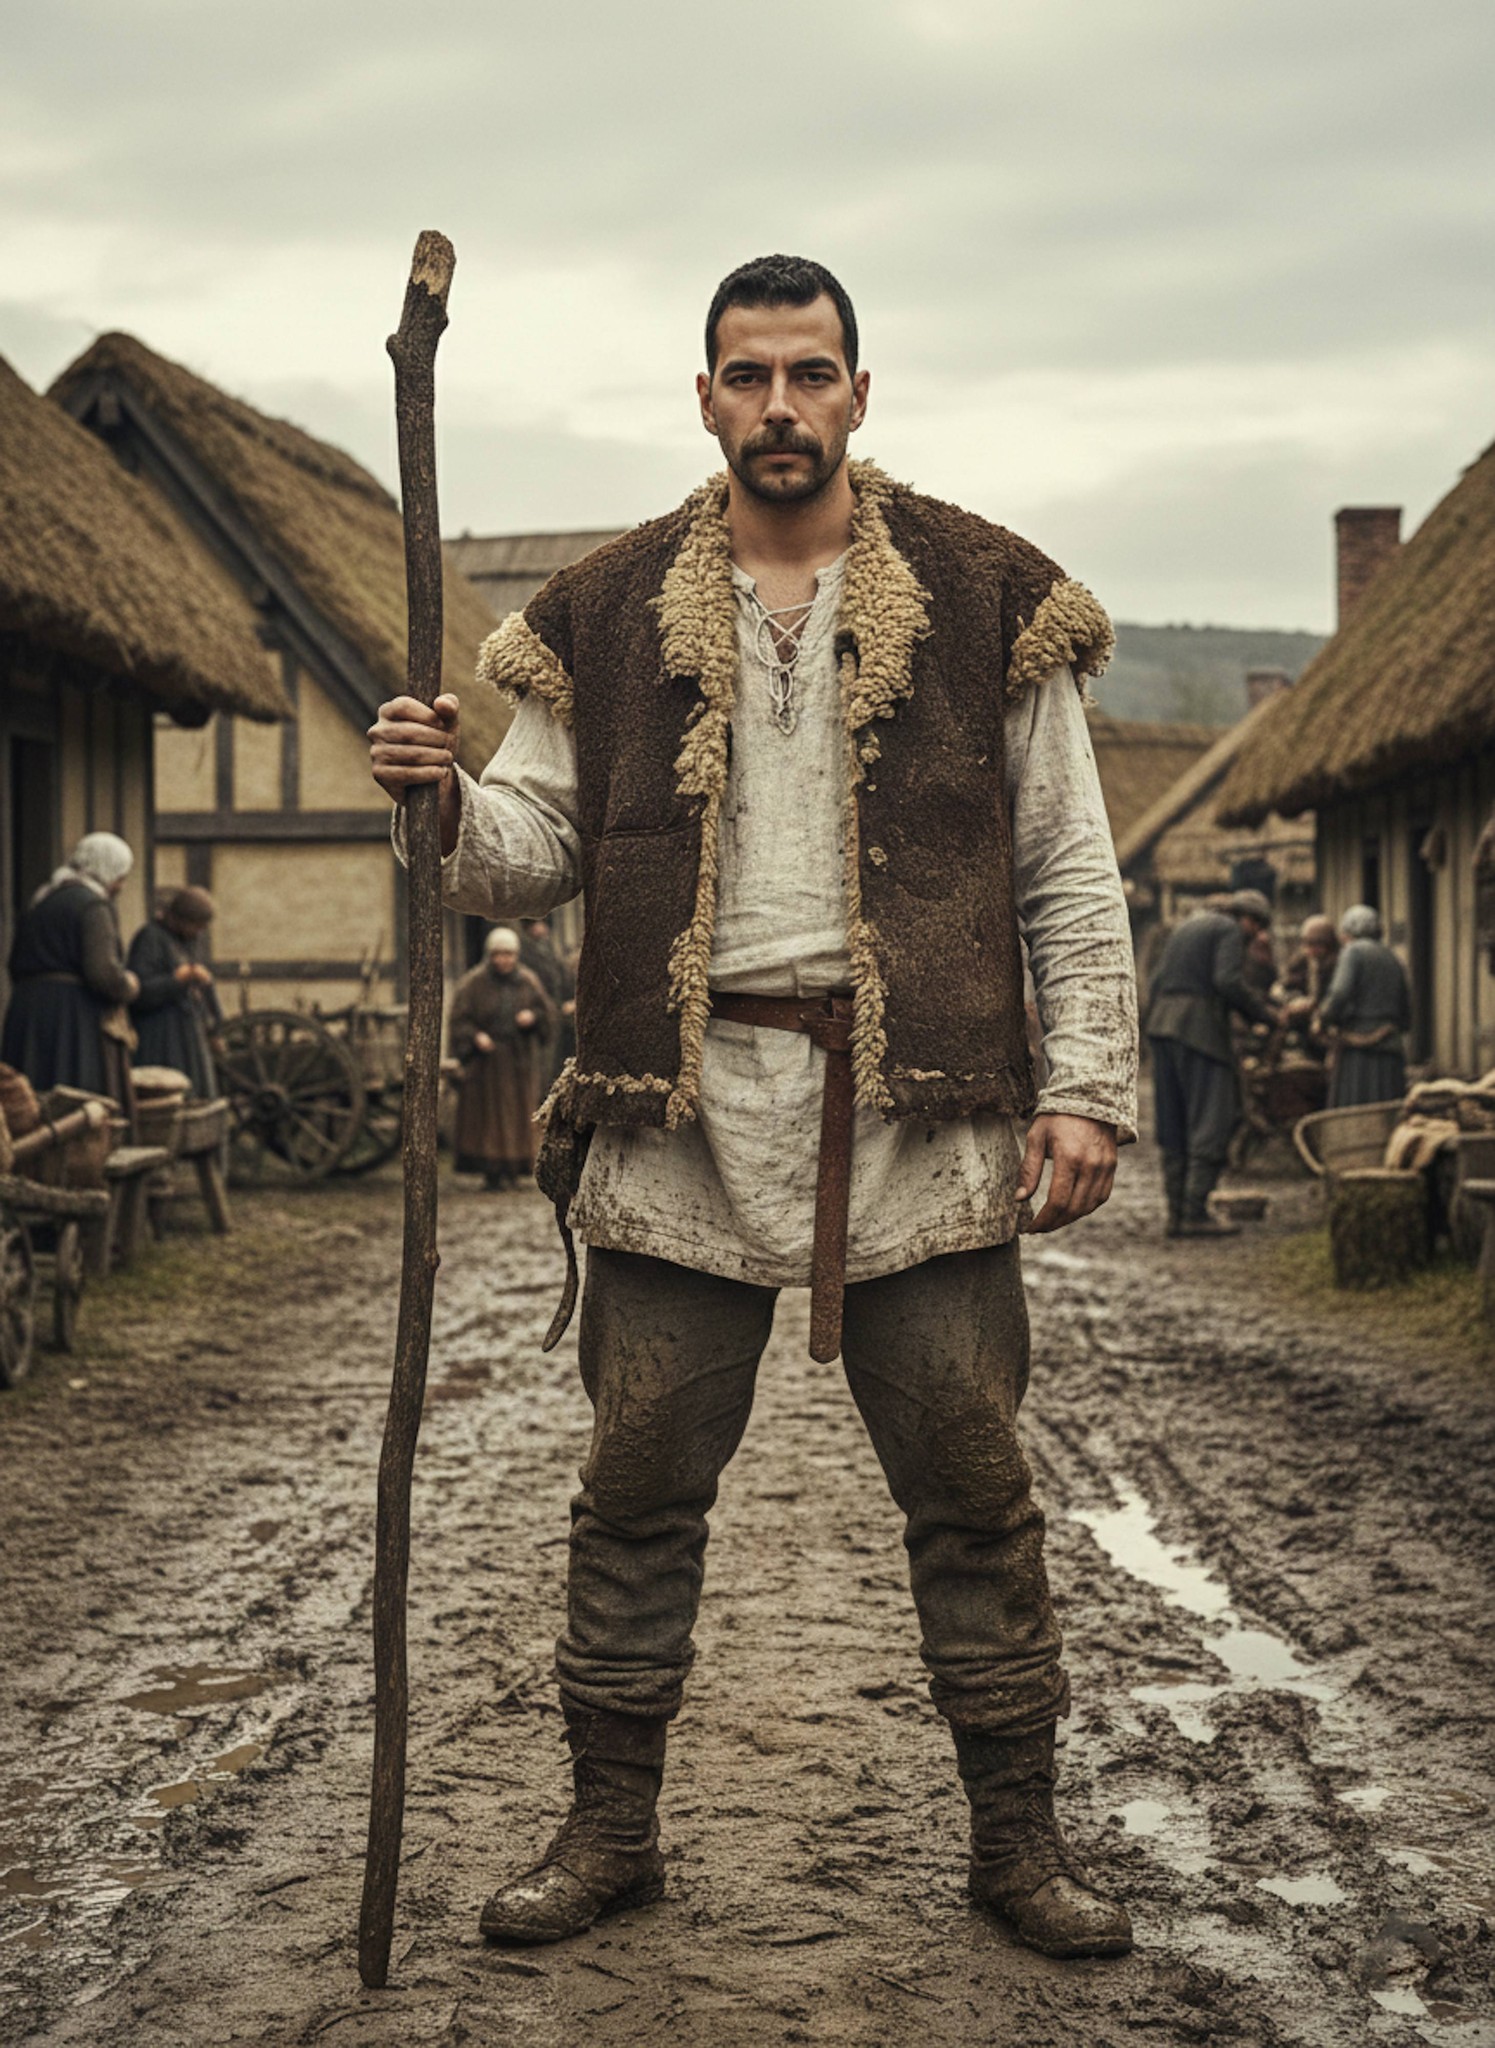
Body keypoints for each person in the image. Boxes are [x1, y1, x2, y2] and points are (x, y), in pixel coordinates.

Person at [370, 254, 1138, 1960]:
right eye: (748, 375)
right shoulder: (608, 607)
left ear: (862, 391)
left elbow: (1073, 875)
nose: (778, 404)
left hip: (921, 1118)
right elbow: (523, 853)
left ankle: (1020, 1843)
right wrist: (434, 801)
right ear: (704, 395)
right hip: (679, 1113)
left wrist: (1088, 1087)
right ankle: (610, 1826)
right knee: (634, 1484)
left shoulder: (987, 591)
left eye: (810, 372)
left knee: (971, 1478)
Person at [1146, 889, 1280, 1238]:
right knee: (1211, 1118)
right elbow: (1227, 980)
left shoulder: (1188, 926)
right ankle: (1194, 1212)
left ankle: (1176, 1213)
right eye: (1259, 926)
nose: (1258, 935)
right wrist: (1265, 1015)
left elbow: (1156, 981)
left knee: (1173, 1120)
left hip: (1163, 1026)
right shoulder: (1229, 930)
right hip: (1199, 1031)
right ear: (1248, 919)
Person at [2, 831, 139, 1100]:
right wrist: (129, 986)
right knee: (76, 1096)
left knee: (30, 1095)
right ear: (107, 870)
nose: (121, 886)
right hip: (71, 1018)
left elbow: (13, 963)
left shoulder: (41, 900)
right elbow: (103, 974)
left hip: (27, 1012)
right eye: (121, 877)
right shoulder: (93, 906)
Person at [447, 926, 554, 1189]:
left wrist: (533, 1017)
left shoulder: (528, 981)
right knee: (487, 1117)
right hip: (486, 1062)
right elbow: (459, 1019)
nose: (504, 960)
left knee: (517, 1114)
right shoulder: (474, 983)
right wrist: (474, 1036)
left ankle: (514, 1168)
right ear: (490, 955)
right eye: (499, 954)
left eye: (509, 954)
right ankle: (490, 1171)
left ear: (516, 956)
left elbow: (547, 1014)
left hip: (518, 1060)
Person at [127, 887, 222, 1098]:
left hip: (187, 1036)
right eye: (196, 925)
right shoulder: (150, 938)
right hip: (160, 1038)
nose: (199, 932)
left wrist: (215, 1026)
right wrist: (177, 980)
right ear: (180, 919)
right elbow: (140, 992)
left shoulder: (185, 942)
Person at [1319, 904, 1412, 1108]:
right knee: (1388, 1111)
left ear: (1348, 933)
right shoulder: (1393, 958)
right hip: (1390, 1049)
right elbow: (1406, 1013)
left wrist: (1323, 1019)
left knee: (1355, 1108)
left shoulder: (1353, 952)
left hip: (1358, 1051)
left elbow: (1339, 994)